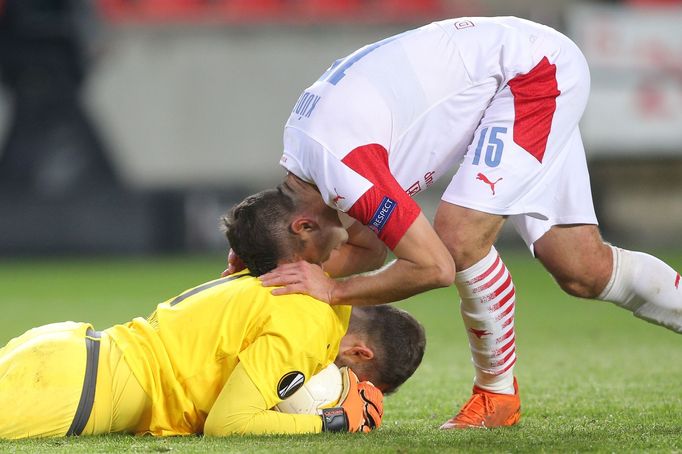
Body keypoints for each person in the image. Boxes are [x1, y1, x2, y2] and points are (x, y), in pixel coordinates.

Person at [257, 17, 682, 429]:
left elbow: (436, 267)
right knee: (581, 268)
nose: (328, 259)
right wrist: (275, 281)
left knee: (459, 239)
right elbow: (370, 246)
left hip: (531, 72)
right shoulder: (310, 164)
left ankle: (496, 396)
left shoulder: (341, 168)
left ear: (303, 226)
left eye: (317, 257)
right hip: (505, 72)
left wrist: (331, 288)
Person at [0, 188, 426, 439]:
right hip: (77, 391)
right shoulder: (310, 325)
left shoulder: (296, 273)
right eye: (362, 384)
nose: (348, 386)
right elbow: (230, 423)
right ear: (359, 354)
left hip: (71, 350)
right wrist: (334, 420)